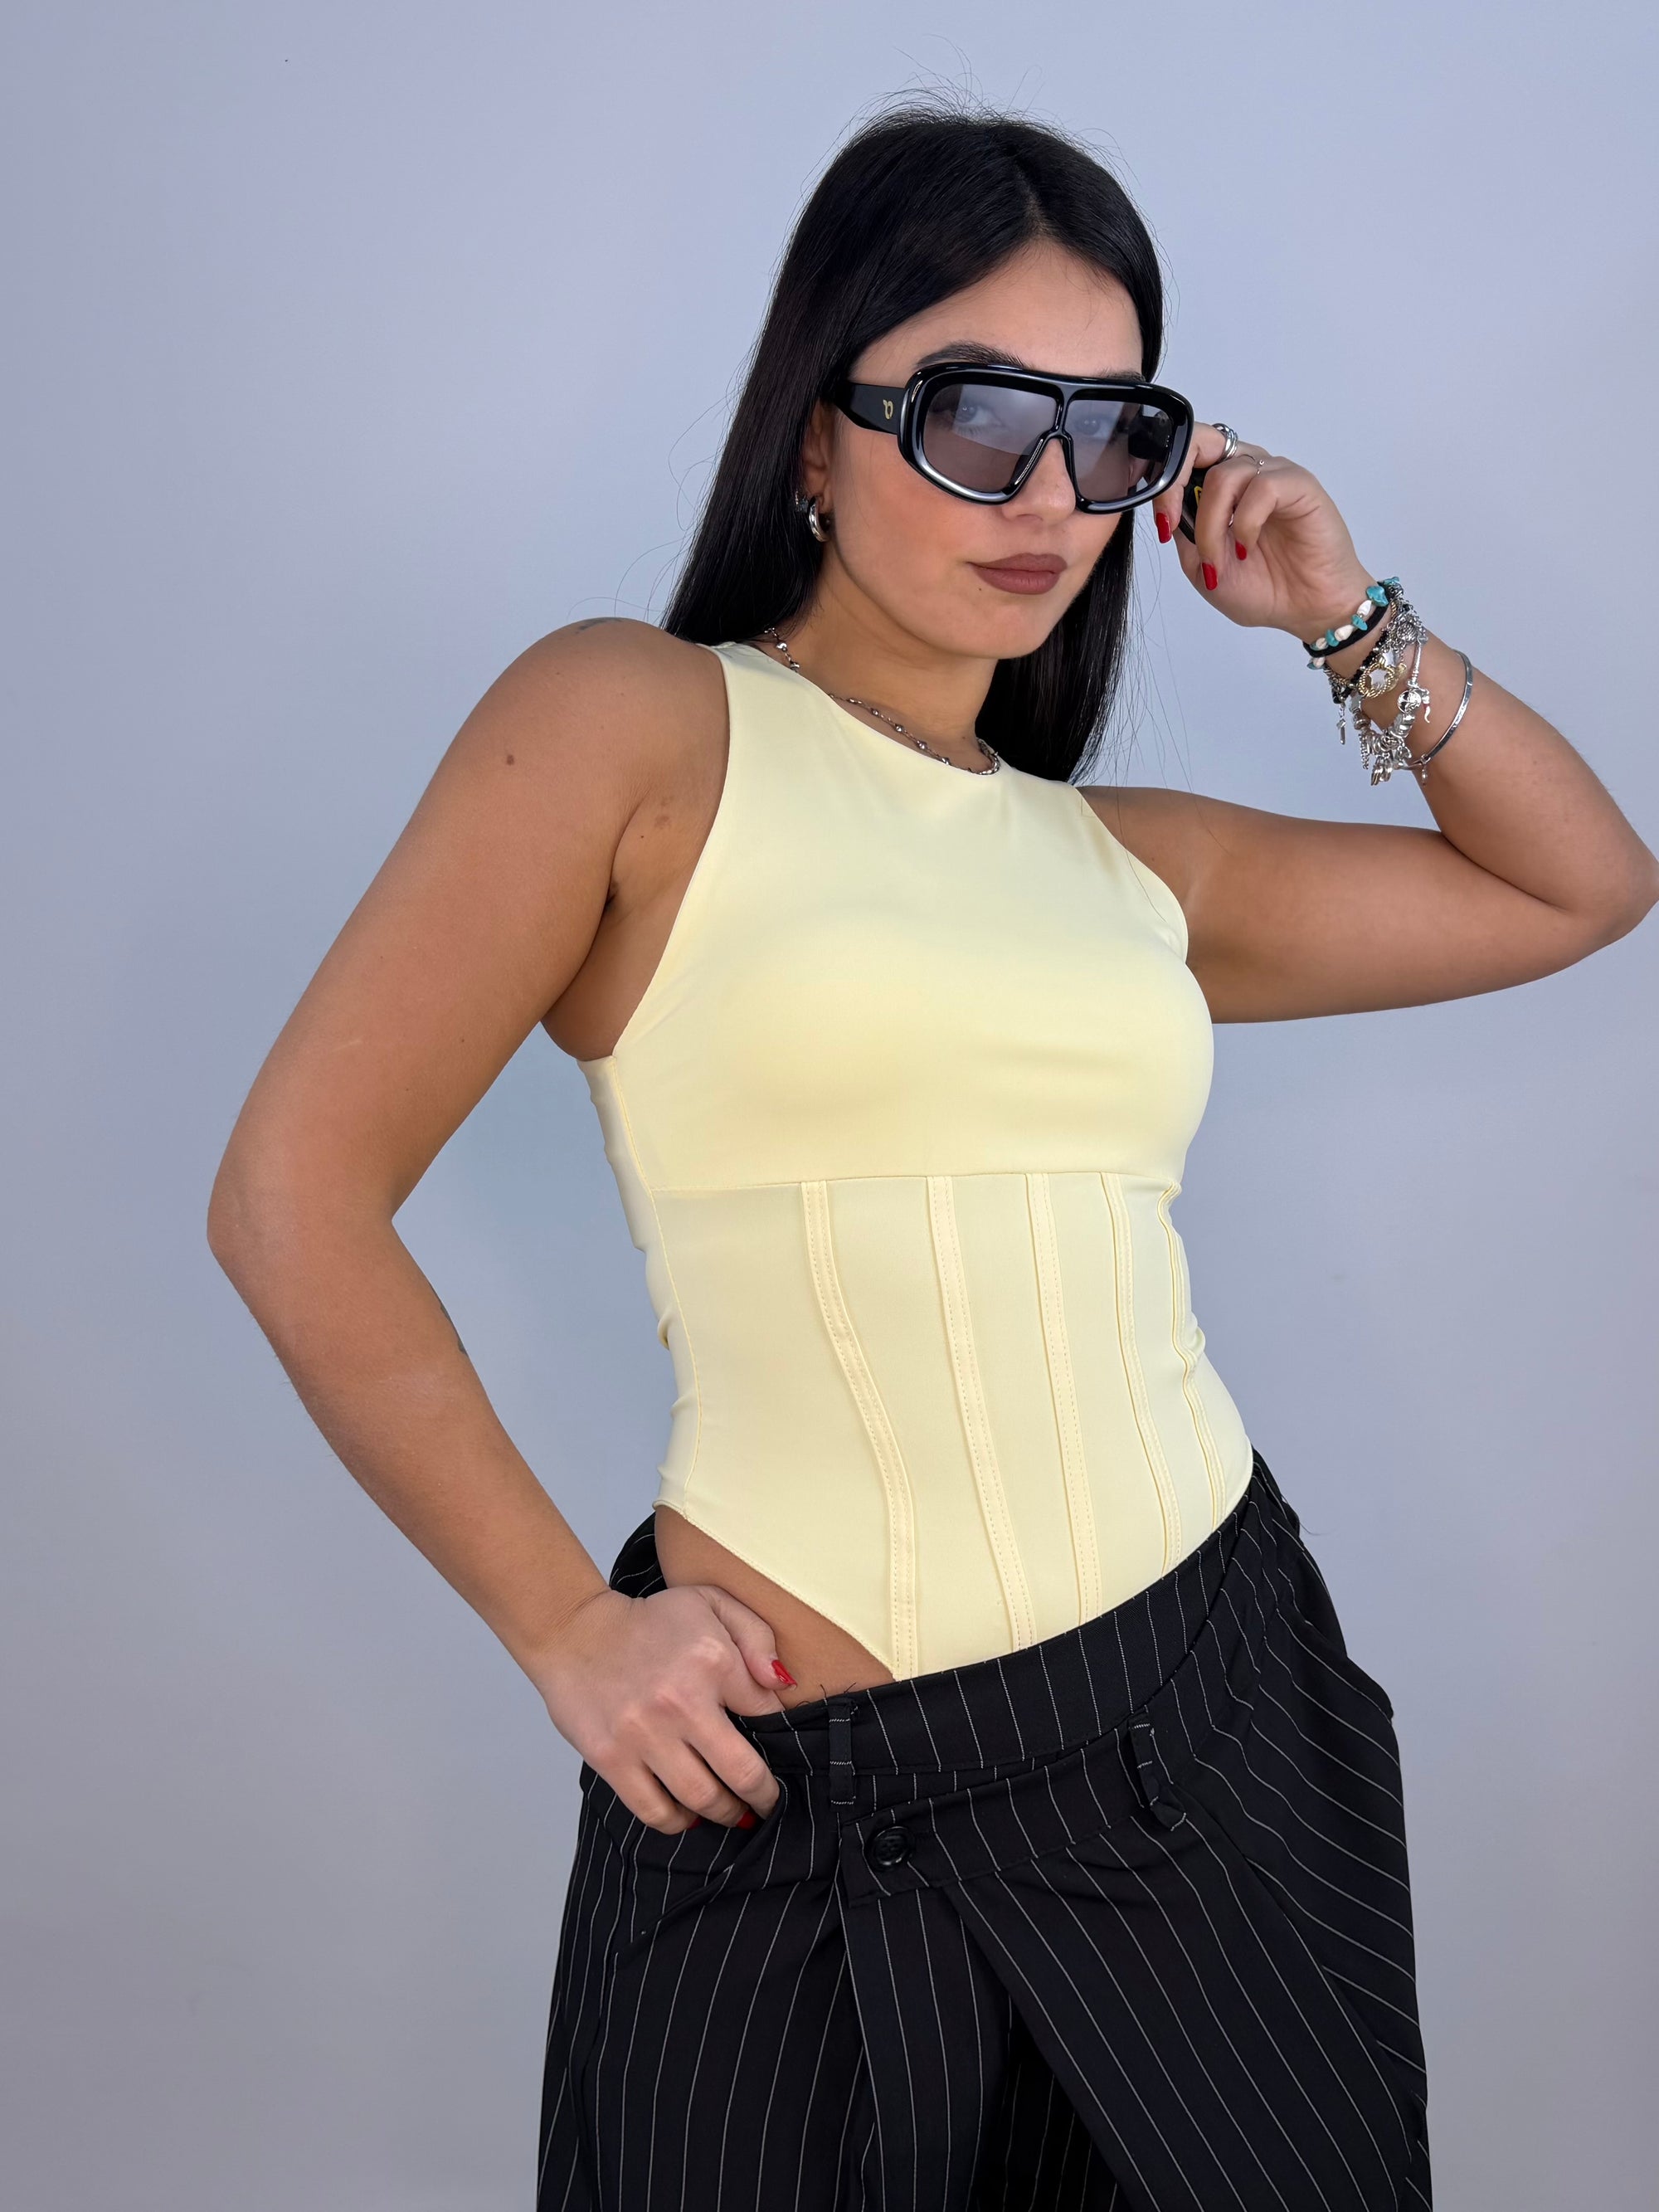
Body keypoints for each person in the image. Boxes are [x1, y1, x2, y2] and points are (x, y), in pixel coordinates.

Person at [207, 101, 1657, 2212]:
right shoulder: (633, 721)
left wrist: (1340, 612)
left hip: (1210, 1720)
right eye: (979, 416)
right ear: (818, 430)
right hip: (799, 1795)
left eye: (1113, 432)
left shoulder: (1123, 861)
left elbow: (1579, 884)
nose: (1050, 496)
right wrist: (564, 1626)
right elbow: (293, 1193)